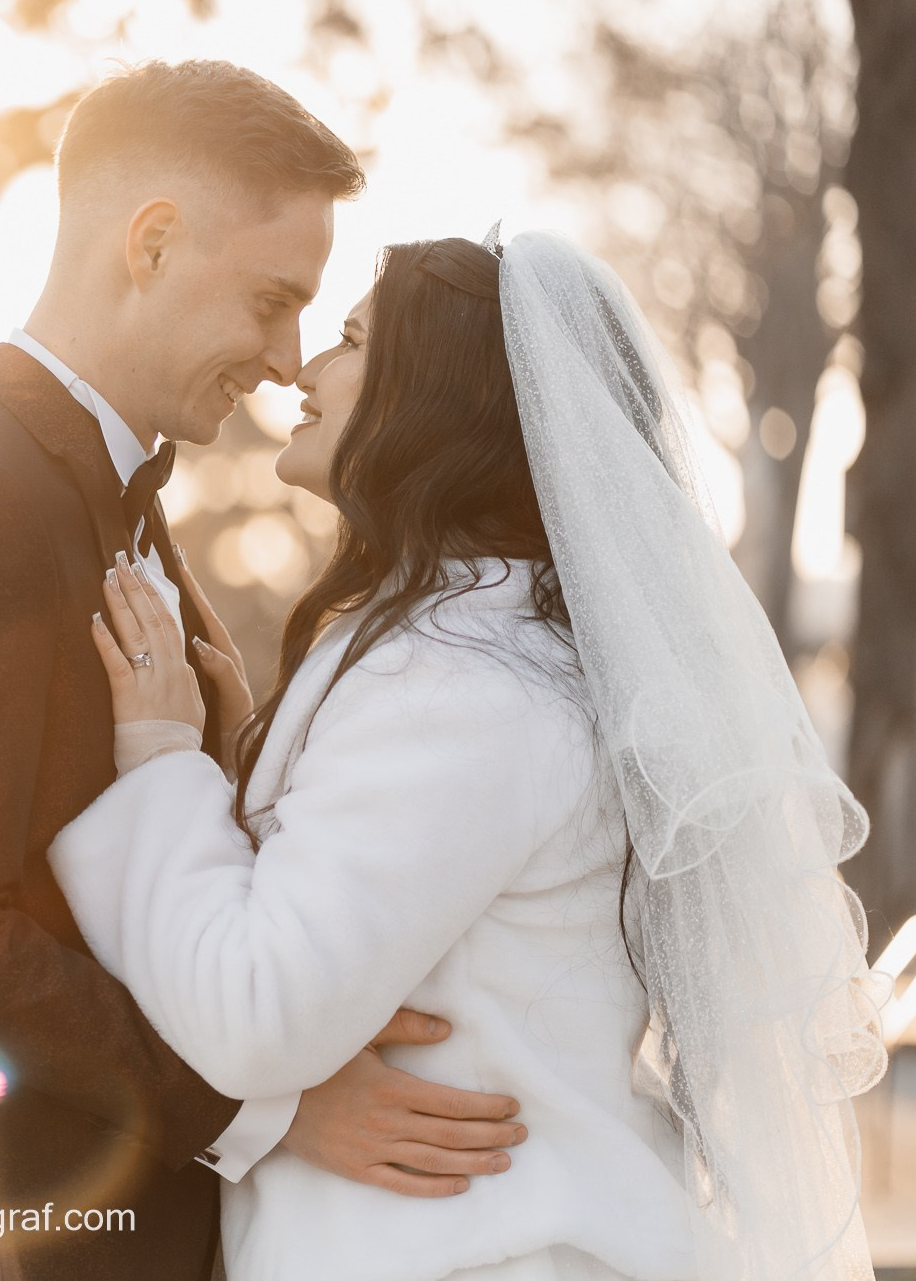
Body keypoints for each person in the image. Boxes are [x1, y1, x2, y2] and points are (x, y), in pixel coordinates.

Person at [0, 62, 531, 1281]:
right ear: (154, 243)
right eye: (274, 300)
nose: (288, 359)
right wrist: (261, 1110)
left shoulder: (103, 502)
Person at [52, 232, 886, 1279]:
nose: (303, 367)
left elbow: (257, 1012)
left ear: (435, 400)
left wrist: (159, 762)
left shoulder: (462, 688)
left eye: (351, 338)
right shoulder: (475, 656)